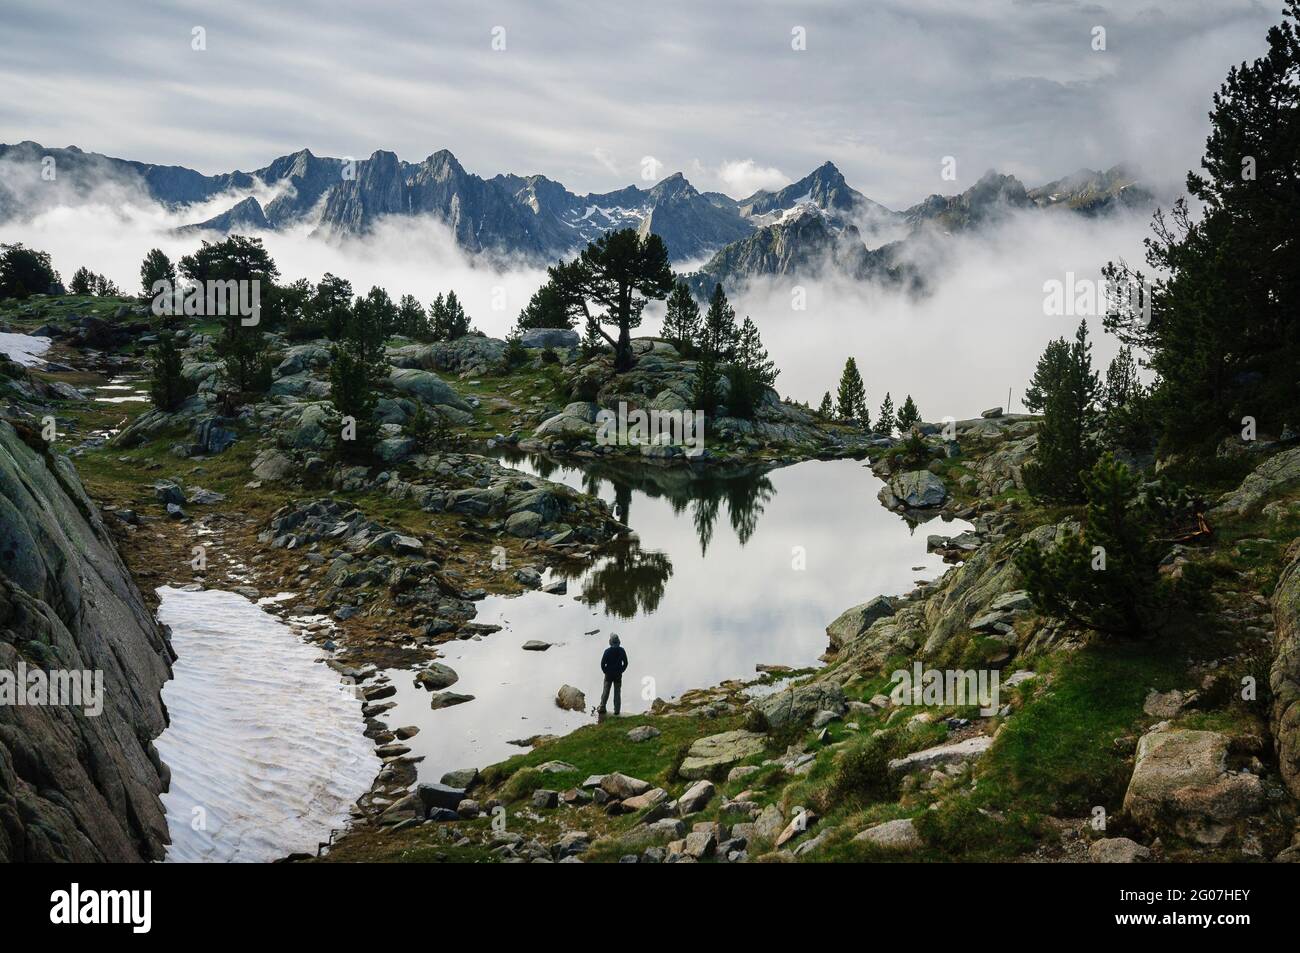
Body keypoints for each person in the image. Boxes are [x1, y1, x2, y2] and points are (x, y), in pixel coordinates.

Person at [599, 634, 628, 716]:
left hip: (608, 675)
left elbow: (602, 664)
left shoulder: (607, 651)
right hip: (618, 675)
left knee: (606, 692)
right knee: (617, 693)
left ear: (610, 642)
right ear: (618, 642)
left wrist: (606, 671)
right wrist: (621, 670)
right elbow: (625, 663)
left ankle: (602, 707)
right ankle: (617, 710)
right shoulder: (622, 650)